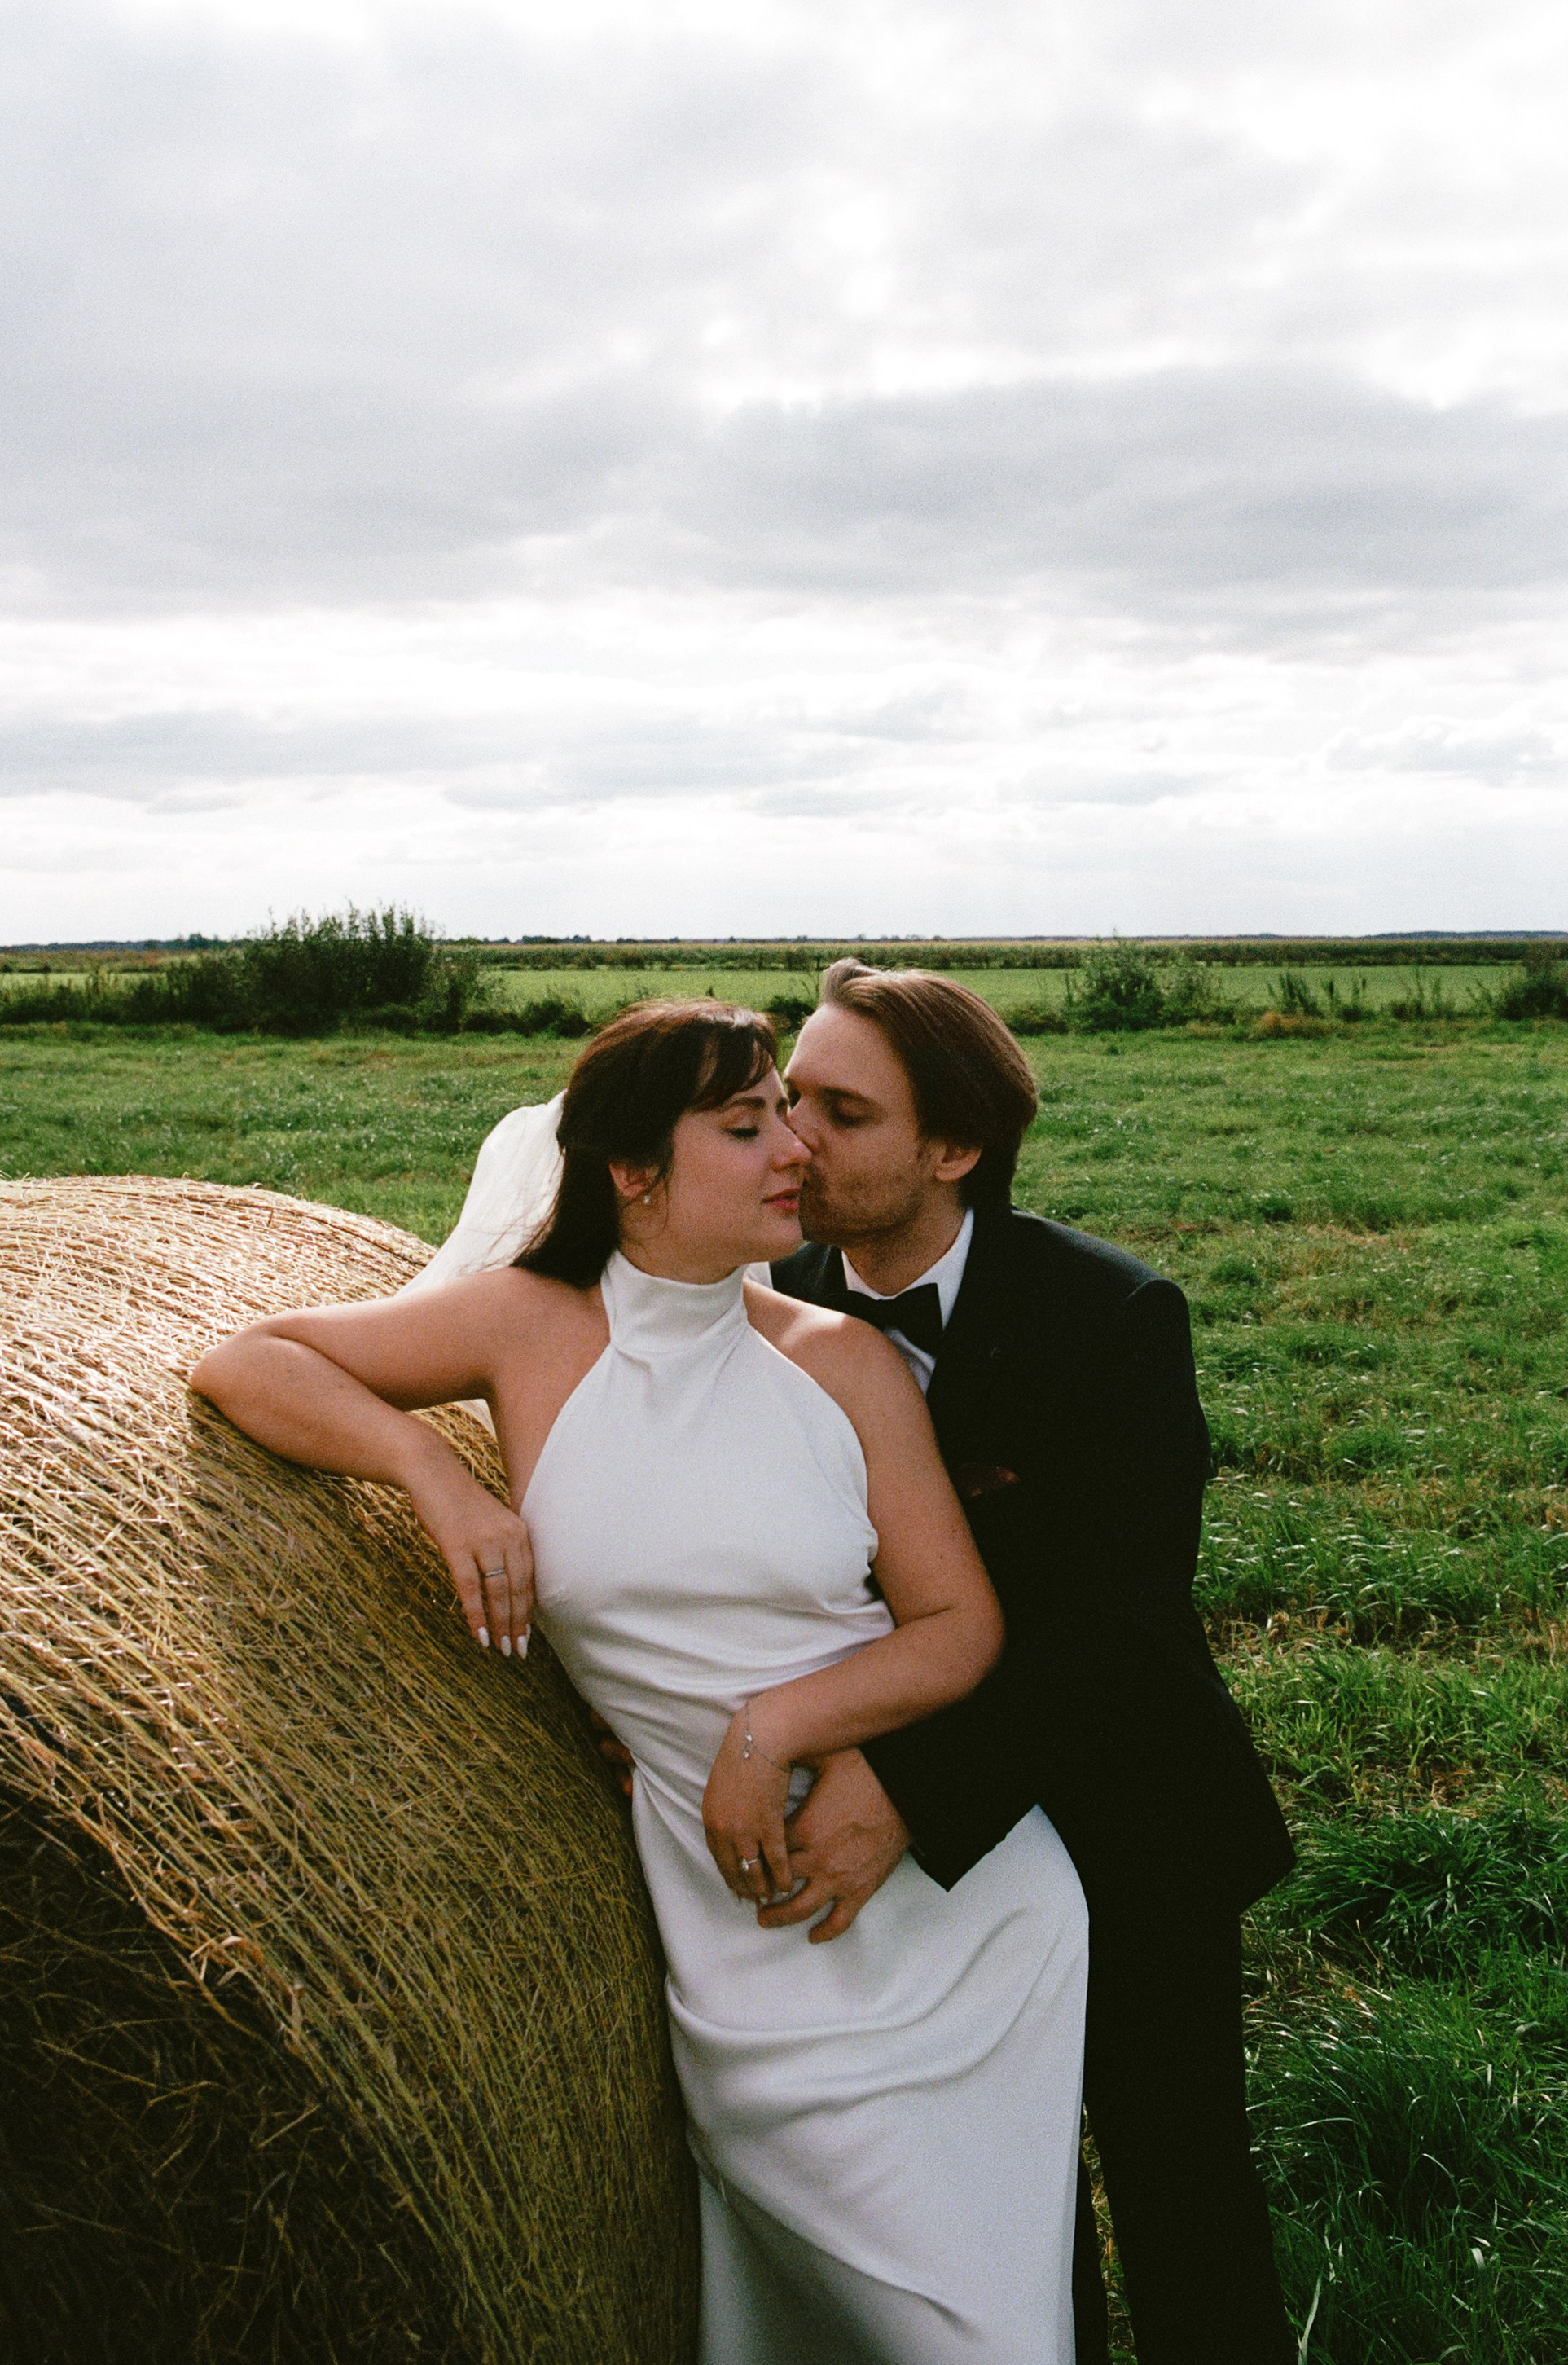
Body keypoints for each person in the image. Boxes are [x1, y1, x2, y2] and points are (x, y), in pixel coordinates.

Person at [190, 1000, 1090, 2365]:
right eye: (747, 1124)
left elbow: (957, 1627)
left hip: (954, 1920)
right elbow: (246, 1360)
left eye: (791, 1110)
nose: (794, 1145)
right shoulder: (523, 1328)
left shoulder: (840, 1361)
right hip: (739, 1944)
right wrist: (436, 1475)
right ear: (632, 1172)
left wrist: (772, 1726)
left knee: (981, 2338)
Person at [762, 960, 1299, 2365]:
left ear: (954, 1148)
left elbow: (1120, 1628)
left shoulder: (1112, 1317)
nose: (792, 1133)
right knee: (990, 2189)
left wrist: (911, 1787)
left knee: (1175, 2167)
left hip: (1123, 1805)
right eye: (787, 1094)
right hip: (911, 1839)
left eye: (842, 1110)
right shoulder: (756, 1306)